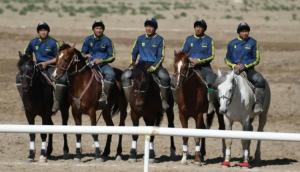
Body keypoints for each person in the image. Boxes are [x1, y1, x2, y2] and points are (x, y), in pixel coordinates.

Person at [121, 18, 170, 112]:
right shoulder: (140, 39)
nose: (149, 28)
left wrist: (153, 67)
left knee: (165, 77)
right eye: (147, 26)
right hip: (141, 65)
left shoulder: (160, 40)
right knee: (125, 75)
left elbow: (161, 56)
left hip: (155, 65)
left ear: (155, 28)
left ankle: (164, 100)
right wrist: (133, 63)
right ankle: (129, 101)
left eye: (151, 27)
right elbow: (133, 53)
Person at [16, 22, 67, 113]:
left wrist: (47, 63)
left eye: (45, 30)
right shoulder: (33, 42)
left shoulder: (54, 43)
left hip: (51, 66)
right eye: (41, 30)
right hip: (37, 65)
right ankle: (25, 101)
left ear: (48, 31)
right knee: (19, 77)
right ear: (38, 32)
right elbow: (26, 53)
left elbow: (58, 57)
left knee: (62, 79)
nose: (43, 32)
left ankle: (56, 102)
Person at [171, 19, 216, 115]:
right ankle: (176, 103)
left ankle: (211, 103)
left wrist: (199, 61)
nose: (198, 29)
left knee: (211, 82)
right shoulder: (189, 39)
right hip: (190, 67)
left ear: (204, 29)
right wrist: (190, 60)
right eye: (196, 27)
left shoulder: (209, 40)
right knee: (173, 80)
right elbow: (183, 54)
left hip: (204, 67)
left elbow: (211, 55)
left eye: (200, 27)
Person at [224, 22, 265, 113]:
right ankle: (221, 103)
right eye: (242, 31)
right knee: (221, 81)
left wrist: (245, 66)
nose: (245, 33)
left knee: (260, 80)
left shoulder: (253, 43)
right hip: (234, 70)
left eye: (246, 31)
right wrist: (234, 65)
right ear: (239, 32)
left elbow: (256, 59)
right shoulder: (232, 43)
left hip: (249, 69)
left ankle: (258, 103)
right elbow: (227, 58)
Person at [81, 20, 116, 104]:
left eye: (100, 28)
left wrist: (101, 60)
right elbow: (82, 52)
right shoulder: (88, 39)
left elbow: (112, 56)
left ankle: (105, 95)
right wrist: (85, 56)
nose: (99, 30)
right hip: (89, 64)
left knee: (111, 74)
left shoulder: (107, 41)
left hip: (103, 65)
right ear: (93, 29)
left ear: (103, 30)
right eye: (97, 28)